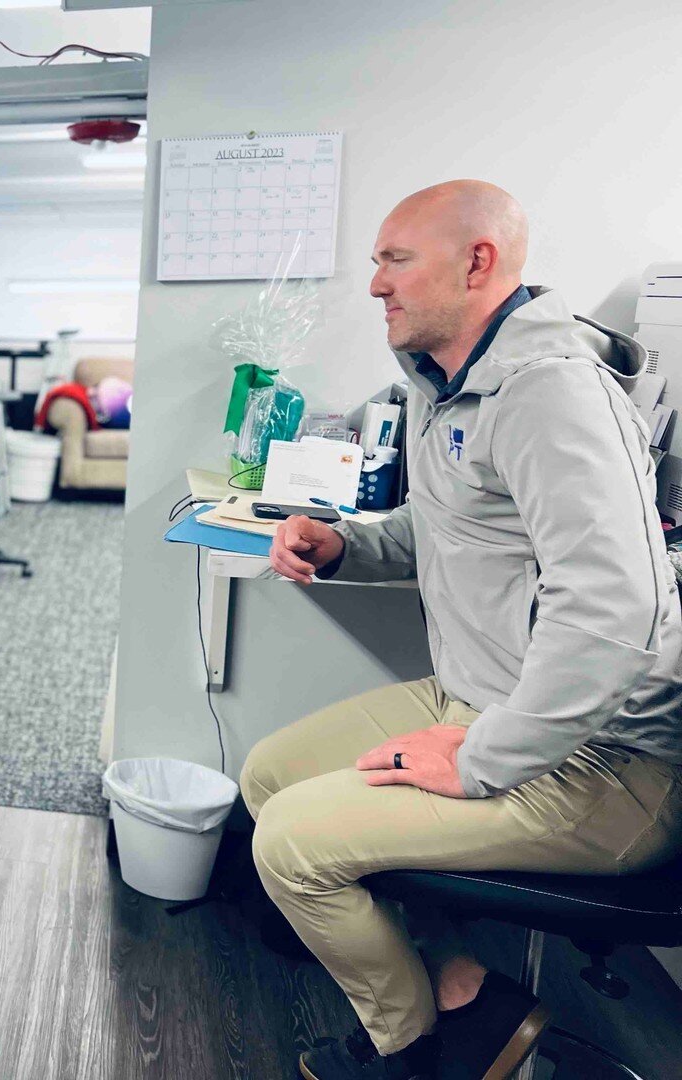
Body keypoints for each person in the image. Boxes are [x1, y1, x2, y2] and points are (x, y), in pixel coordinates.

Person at [243, 181, 682, 1080]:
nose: (374, 283)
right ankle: (463, 990)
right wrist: (344, 547)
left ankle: (412, 1055)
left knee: (289, 844)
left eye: (394, 259)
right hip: (487, 696)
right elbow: (446, 529)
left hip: (607, 757)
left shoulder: (548, 393)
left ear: (477, 262)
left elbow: (618, 606)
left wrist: (479, 761)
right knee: (269, 775)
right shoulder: (456, 387)